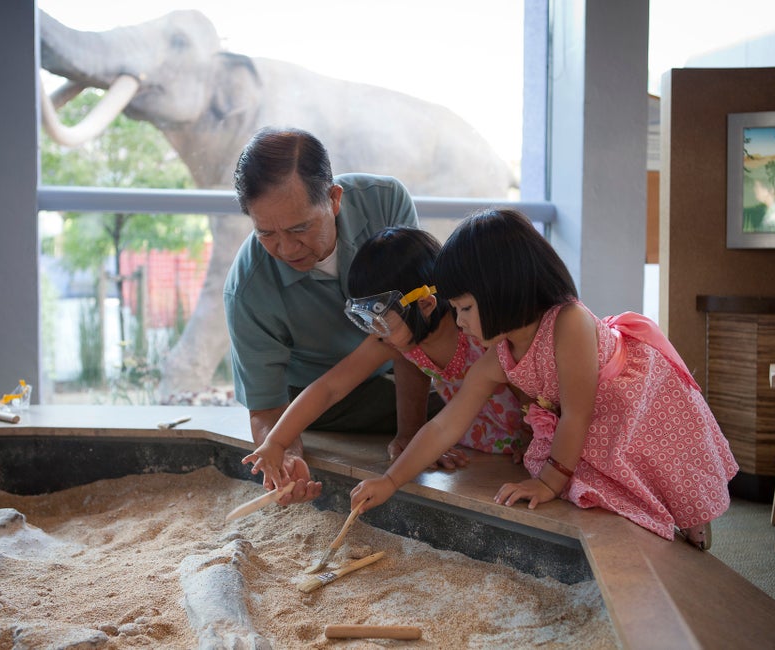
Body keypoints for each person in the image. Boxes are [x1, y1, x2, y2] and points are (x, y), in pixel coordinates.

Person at [350, 208, 739, 549]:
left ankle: (691, 516)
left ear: (502, 290)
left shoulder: (568, 322)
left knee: (661, 464)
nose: (459, 321)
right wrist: (390, 481)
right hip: (590, 415)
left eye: (465, 308)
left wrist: (549, 483)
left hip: (632, 400)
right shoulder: (499, 356)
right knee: (600, 478)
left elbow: (576, 415)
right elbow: (443, 426)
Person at [224, 127, 439, 504]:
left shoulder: (386, 201)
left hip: (402, 359)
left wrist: (411, 434)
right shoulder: (246, 288)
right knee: (451, 409)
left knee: (463, 399)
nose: (286, 248)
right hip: (319, 398)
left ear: (334, 199)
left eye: (300, 228)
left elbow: (414, 337)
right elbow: (274, 404)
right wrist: (286, 456)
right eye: (266, 234)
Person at [241, 227, 530, 485]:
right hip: (478, 440)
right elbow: (329, 388)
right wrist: (276, 442)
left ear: (426, 305)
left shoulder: (476, 329)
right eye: (365, 320)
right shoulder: (395, 338)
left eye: (379, 319)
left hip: (532, 436)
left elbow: (527, 380)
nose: (373, 331)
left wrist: (534, 438)